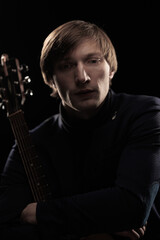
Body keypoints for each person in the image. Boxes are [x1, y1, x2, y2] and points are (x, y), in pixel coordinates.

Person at [0, 20, 160, 240]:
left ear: (111, 69)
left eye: (93, 61)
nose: (82, 78)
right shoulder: (30, 143)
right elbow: (6, 226)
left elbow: (133, 205)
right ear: (51, 81)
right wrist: (97, 229)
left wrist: (38, 212)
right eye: (66, 66)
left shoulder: (146, 113)